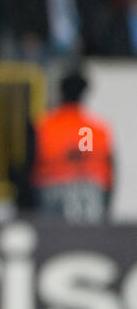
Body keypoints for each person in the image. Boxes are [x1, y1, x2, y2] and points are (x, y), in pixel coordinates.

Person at [31, 69, 114, 223]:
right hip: (90, 200)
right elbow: (98, 167)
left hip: (51, 198)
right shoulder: (91, 129)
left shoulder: (44, 126)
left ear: (61, 93)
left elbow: (29, 166)